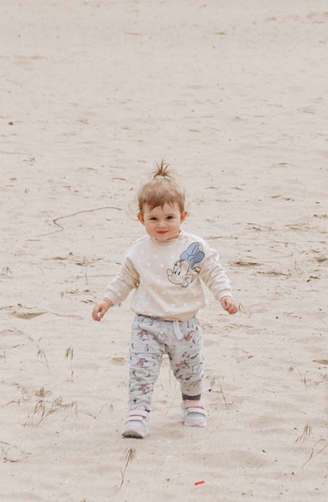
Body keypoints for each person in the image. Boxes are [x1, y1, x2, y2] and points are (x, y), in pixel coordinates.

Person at [92, 162, 238, 439]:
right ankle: (138, 413)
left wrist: (225, 295)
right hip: (146, 324)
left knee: (190, 368)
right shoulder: (138, 251)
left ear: (183, 216)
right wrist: (107, 301)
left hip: (185, 325)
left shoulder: (194, 247)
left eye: (169, 218)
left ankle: (192, 403)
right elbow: (124, 281)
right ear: (141, 219)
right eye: (154, 218)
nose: (162, 225)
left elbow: (213, 272)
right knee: (141, 369)